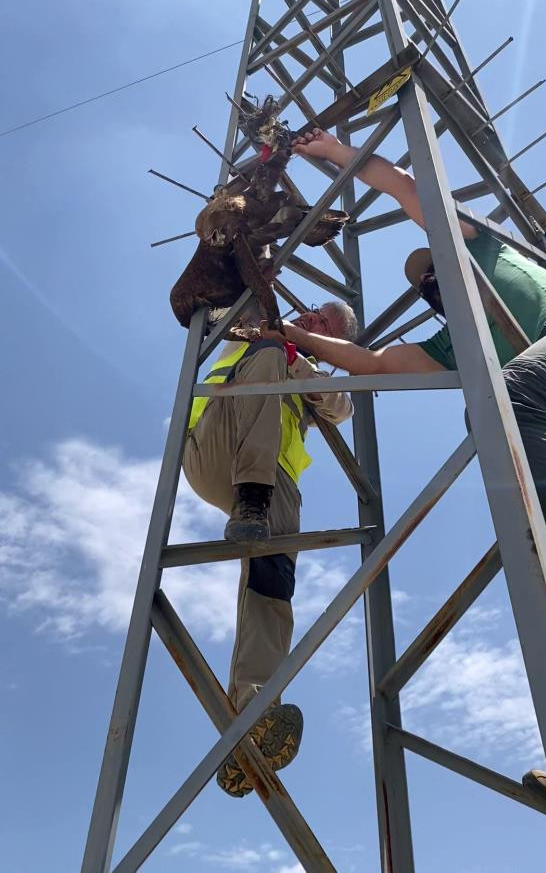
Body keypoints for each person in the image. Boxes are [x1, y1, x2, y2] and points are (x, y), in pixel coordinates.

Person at [262, 127, 546, 804]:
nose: (431, 284)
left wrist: (333, 153)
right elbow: (370, 365)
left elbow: (403, 185)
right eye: (426, 284)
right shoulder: (457, 341)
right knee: (544, 574)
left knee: (505, 396)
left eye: (432, 271)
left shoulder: (478, 245)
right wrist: (290, 334)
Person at [183, 300, 355, 796]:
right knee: (266, 350)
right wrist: (266, 325)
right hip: (216, 449)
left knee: (272, 586)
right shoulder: (250, 330)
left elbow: (342, 407)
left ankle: (251, 715)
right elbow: (210, 320)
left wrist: (300, 357)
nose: (311, 320)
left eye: (324, 322)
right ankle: (252, 499)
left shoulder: (317, 375)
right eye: (312, 313)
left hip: (274, 487)